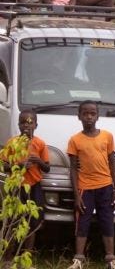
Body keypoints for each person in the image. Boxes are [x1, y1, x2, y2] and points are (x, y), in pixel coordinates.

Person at [66, 101, 115, 269]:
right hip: (85, 188)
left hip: (105, 186)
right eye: (85, 114)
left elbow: (113, 164)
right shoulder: (75, 140)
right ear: (79, 116)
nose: (89, 117)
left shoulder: (107, 136)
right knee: (83, 221)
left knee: (107, 220)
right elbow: (73, 169)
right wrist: (76, 195)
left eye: (92, 113)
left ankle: (111, 259)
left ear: (98, 116)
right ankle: (79, 259)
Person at [1, 110, 49, 264]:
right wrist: (18, 165)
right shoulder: (13, 143)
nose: (27, 126)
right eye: (23, 122)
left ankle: (26, 256)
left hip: (34, 187)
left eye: (30, 122)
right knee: (12, 220)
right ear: (18, 125)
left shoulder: (40, 144)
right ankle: (8, 256)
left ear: (36, 125)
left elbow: (47, 168)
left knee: (32, 222)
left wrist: (39, 162)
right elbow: (3, 165)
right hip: (16, 186)